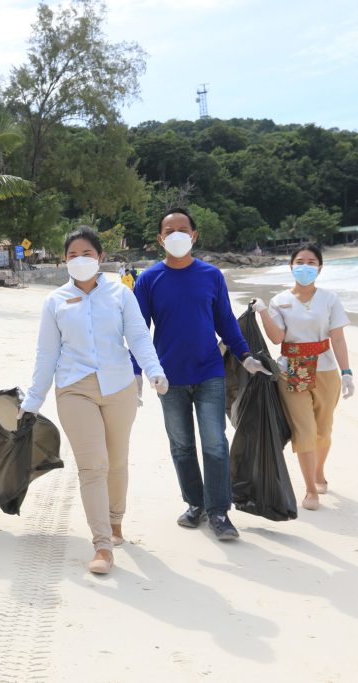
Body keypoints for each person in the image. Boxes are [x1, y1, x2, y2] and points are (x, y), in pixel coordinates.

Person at [21, 227, 167, 575]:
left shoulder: (120, 293)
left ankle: (115, 523)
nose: (79, 260)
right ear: (64, 260)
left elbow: (137, 336)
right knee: (93, 465)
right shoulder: (55, 301)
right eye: (72, 255)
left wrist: (154, 371)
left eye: (87, 253)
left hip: (118, 386)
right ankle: (102, 544)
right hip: (74, 387)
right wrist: (33, 400)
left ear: (101, 257)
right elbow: (47, 353)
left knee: (117, 460)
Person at [131, 208, 270, 541]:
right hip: (168, 379)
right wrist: (137, 372)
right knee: (181, 445)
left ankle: (219, 511)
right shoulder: (149, 280)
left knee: (215, 444)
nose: (177, 234)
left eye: (183, 229)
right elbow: (137, 331)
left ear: (194, 235)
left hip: (209, 373)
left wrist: (246, 356)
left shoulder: (211, 276)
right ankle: (195, 504)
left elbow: (225, 323)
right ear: (160, 239)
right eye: (169, 230)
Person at [252, 245, 354, 511]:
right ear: (291, 266)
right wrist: (263, 311)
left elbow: (339, 338)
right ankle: (310, 489)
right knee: (304, 429)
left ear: (320, 267)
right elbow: (277, 338)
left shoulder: (329, 299)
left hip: (325, 368)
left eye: (311, 262)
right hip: (292, 367)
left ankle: (319, 471)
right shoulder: (280, 300)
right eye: (300, 261)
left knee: (324, 428)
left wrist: (346, 372)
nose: (305, 266)